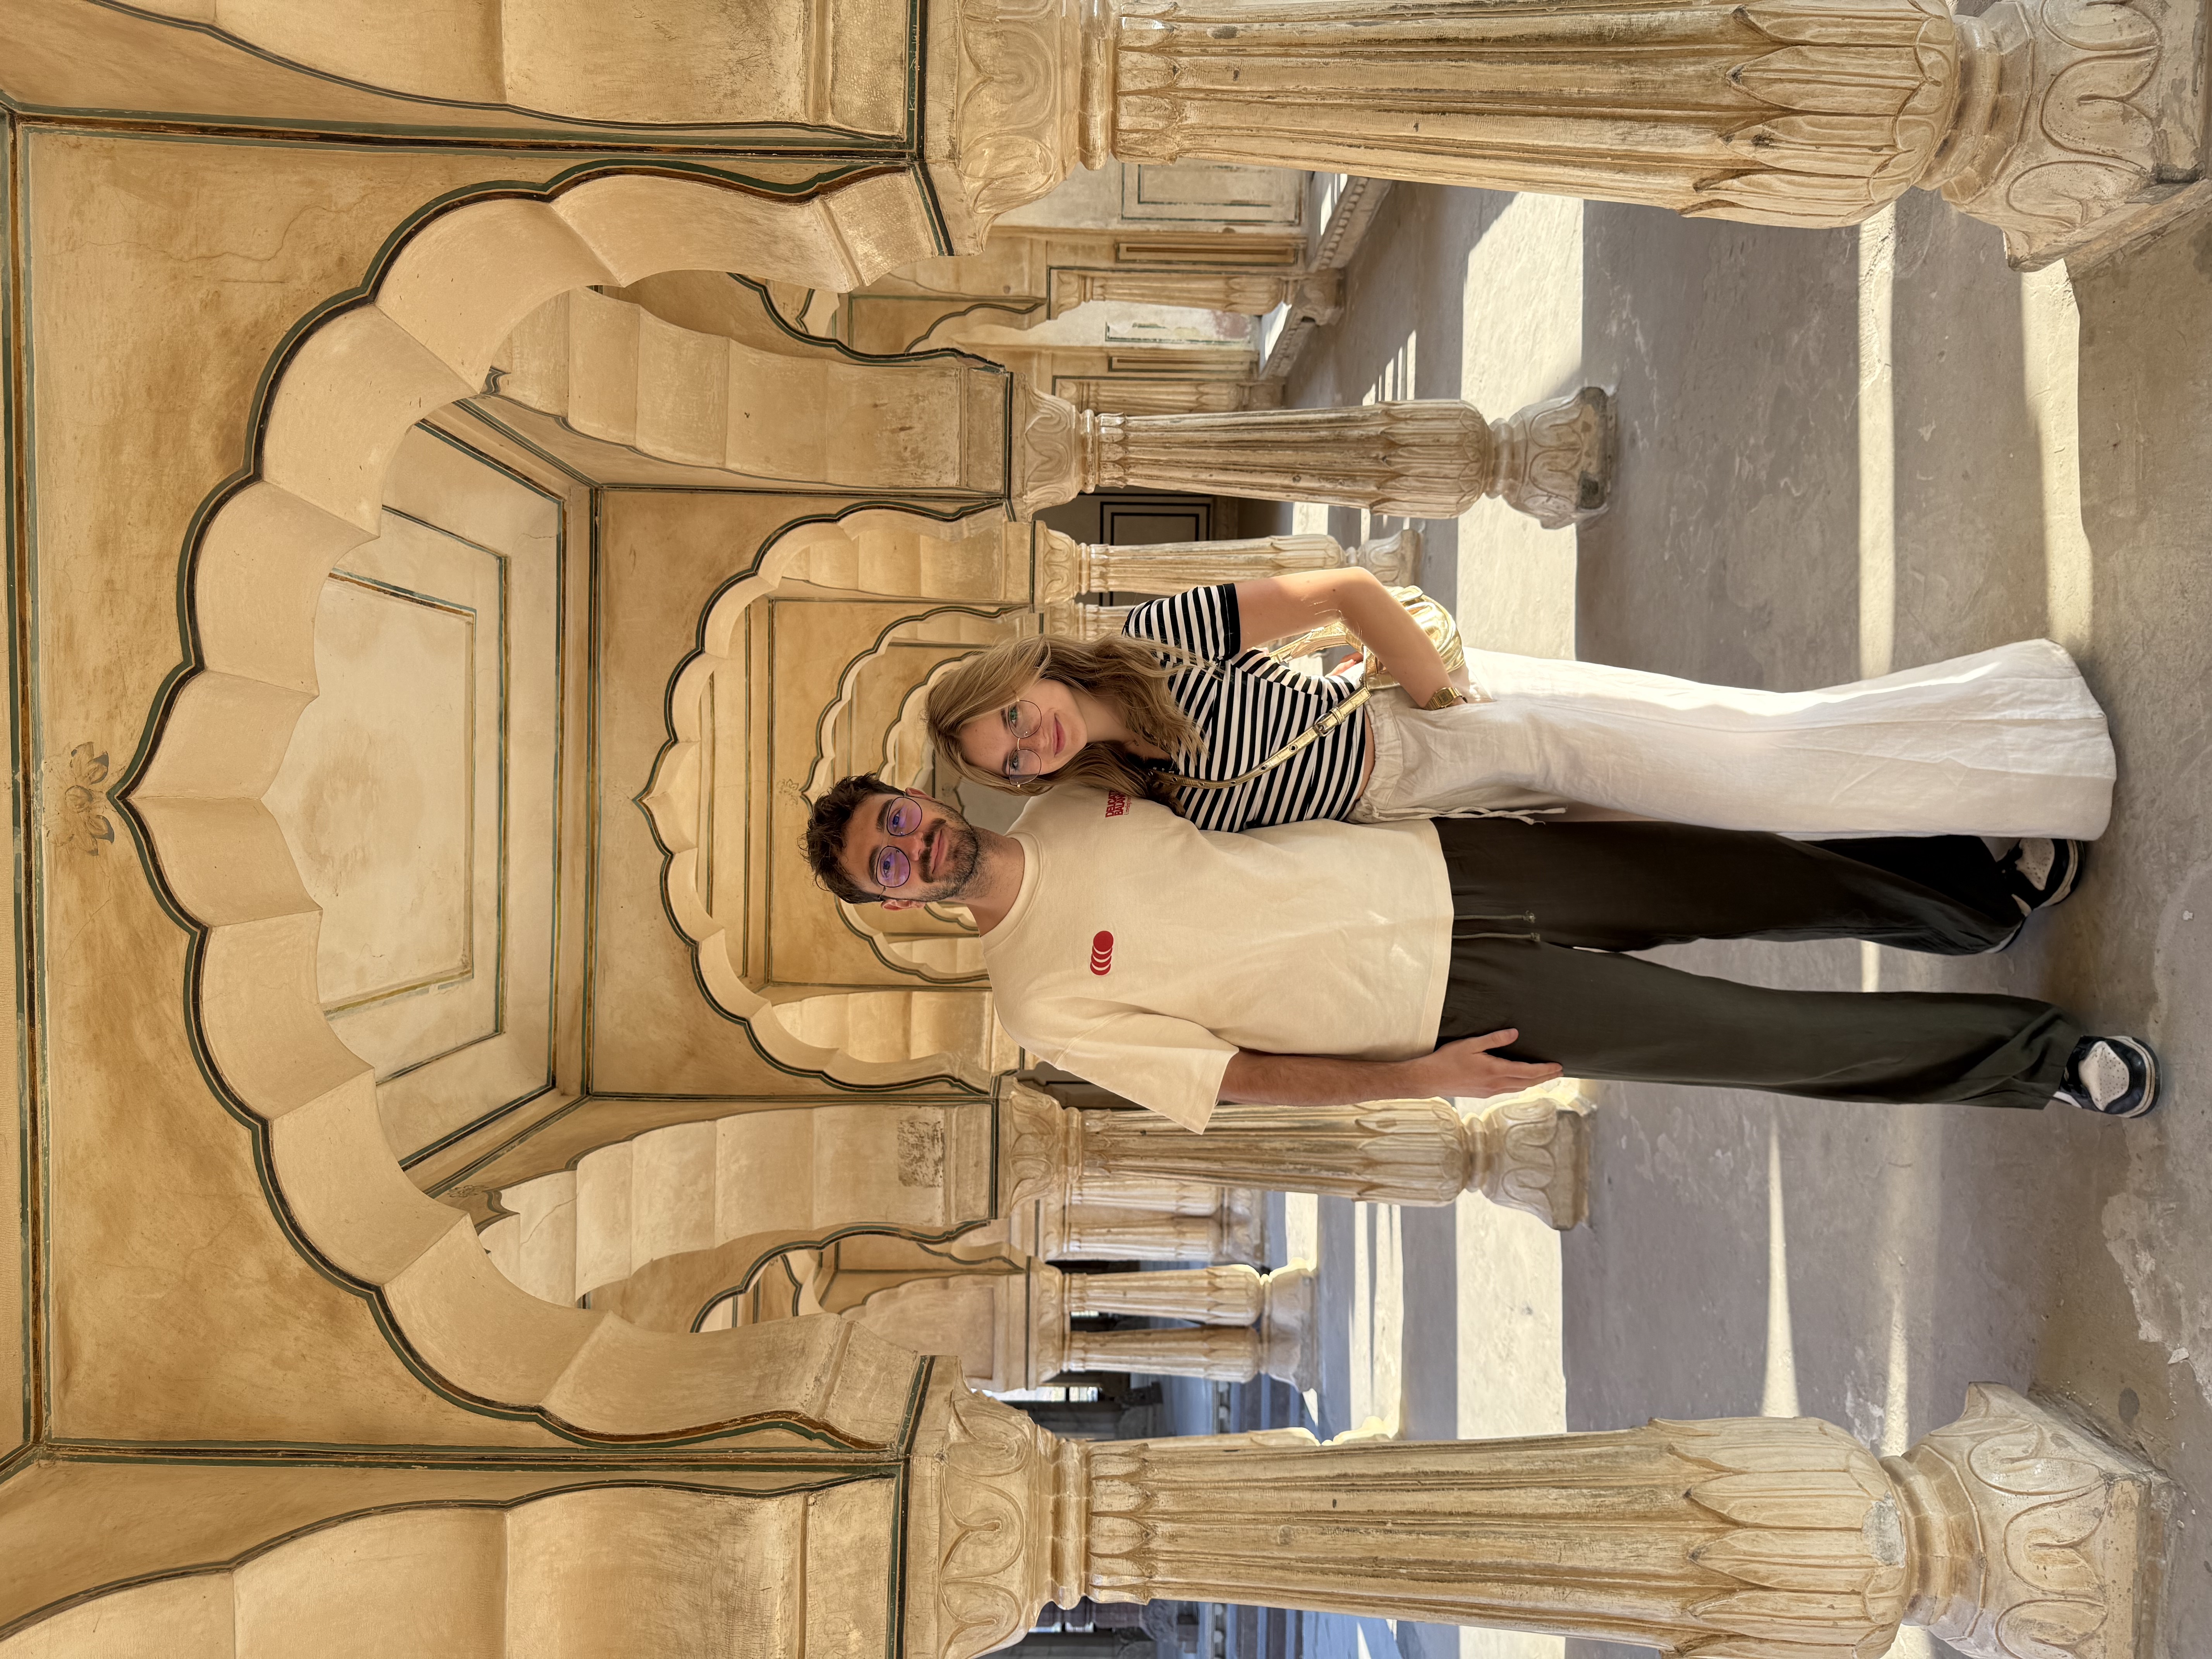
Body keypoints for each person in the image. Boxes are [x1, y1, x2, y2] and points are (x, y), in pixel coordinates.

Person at [799, 774, 2159, 1130]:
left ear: (921, 797)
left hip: (1448, 861)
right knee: (1768, 1040)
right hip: (1448, 1000)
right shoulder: (1039, 1002)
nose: (913, 846)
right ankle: (2041, 1063)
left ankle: (1971, 896)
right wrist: (1422, 1082)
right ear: (895, 905)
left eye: (899, 820)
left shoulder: (1067, 797)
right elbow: (1235, 1083)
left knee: (1735, 869)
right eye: (889, 862)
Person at [923, 571, 2115, 849]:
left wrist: (1441, 693)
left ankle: (2038, 747)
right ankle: (2008, 749)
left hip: (1433, 730)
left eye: (1015, 720)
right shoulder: (1128, 787)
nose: (1034, 744)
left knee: (1742, 766)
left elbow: (1344, 586)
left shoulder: (1158, 638)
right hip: (1432, 814)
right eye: (1015, 762)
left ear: (1026, 678)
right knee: (1719, 793)